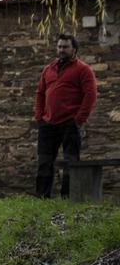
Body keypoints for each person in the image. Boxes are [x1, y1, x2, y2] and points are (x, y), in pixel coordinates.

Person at [34, 33, 98, 198]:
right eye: (59, 46)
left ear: (74, 49)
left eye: (65, 47)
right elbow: (40, 93)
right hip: (48, 124)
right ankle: (42, 197)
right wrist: (39, 116)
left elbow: (90, 95)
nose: (61, 50)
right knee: (44, 162)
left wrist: (79, 120)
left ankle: (68, 197)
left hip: (70, 123)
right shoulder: (48, 69)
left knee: (71, 162)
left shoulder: (83, 69)